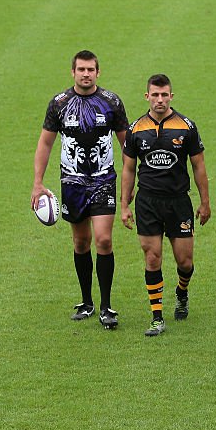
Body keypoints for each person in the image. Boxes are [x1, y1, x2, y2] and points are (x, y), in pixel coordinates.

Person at [31, 50, 128, 329]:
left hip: (103, 180)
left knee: (104, 240)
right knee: (81, 242)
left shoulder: (111, 103)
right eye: (81, 69)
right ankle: (87, 302)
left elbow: (126, 145)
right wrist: (38, 183)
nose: (86, 74)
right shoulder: (59, 104)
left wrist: (133, 180)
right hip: (72, 182)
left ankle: (107, 307)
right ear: (72, 72)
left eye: (91, 69)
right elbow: (46, 144)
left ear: (98, 72)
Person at [120, 74, 211, 337]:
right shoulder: (136, 129)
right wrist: (125, 204)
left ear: (171, 96)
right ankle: (157, 316)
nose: (160, 100)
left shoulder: (186, 127)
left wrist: (205, 203)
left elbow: (198, 166)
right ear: (146, 96)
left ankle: (182, 291)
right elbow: (128, 169)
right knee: (152, 258)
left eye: (164, 95)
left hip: (179, 202)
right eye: (155, 95)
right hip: (147, 202)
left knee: (184, 261)